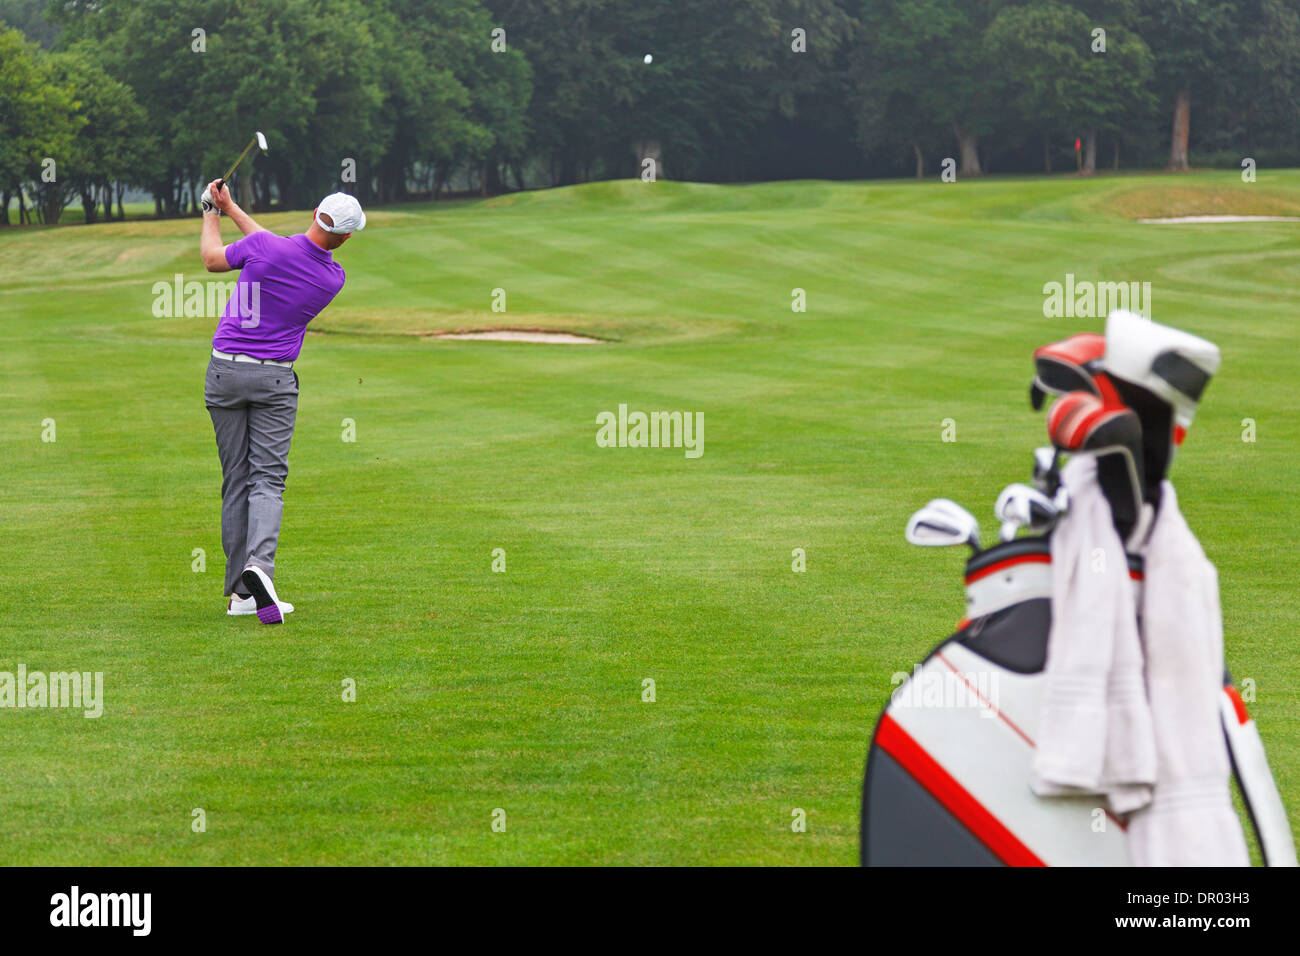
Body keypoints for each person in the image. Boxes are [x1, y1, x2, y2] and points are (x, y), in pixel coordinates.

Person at [198, 181, 365, 623]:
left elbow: (216, 259)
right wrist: (232, 207)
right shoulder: (333, 278)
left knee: (235, 479)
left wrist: (211, 213)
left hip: (224, 372)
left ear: (314, 211)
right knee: (267, 479)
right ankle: (260, 569)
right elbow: (272, 248)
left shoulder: (263, 249)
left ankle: (241, 595)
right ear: (346, 238)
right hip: (273, 380)